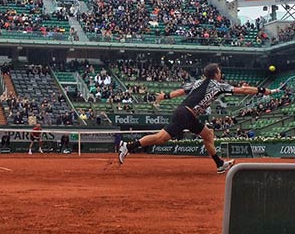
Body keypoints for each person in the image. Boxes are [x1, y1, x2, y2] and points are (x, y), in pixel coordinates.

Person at [118, 63, 279, 174]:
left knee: (208, 134)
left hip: (186, 114)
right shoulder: (218, 86)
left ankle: (219, 164)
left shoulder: (197, 82)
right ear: (216, 74)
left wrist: (164, 96)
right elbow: (243, 90)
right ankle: (128, 146)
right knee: (160, 138)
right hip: (186, 114)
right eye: (219, 71)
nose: (220, 73)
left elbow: (180, 92)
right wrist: (264, 91)